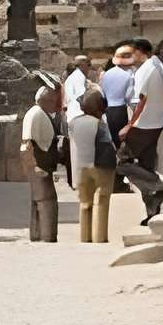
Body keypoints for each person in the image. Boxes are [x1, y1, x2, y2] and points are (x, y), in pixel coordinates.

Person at [122, 40, 163, 223]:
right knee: (147, 166)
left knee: (124, 162)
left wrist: (130, 125)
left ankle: (158, 191)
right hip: (159, 124)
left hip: (146, 126)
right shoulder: (161, 70)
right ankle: (154, 208)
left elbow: (142, 100)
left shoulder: (149, 70)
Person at [66, 72, 116, 244]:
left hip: (81, 167)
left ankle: (84, 236)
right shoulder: (100, 124)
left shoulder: (73, 123)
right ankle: (99, 236)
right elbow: (107, 144)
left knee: (84, 204)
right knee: (101, 201)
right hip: (100, 166)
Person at [20, 79, 65, 242]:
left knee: (39, 201)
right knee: (46, 201)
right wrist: (34, 165)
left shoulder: (39, 113)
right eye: (52, 101)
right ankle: (47, 236)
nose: (55, 104)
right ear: (44, 101)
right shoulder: (36, 114)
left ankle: (38, 235)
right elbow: (26, 145)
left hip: (42, 164)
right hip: (39, 165)